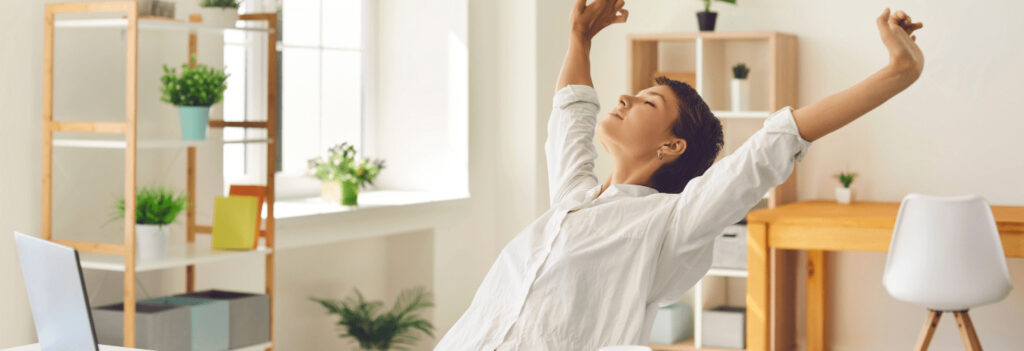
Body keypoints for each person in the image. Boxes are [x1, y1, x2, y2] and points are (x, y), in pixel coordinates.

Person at [436, 1, 924, 349]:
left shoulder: (670, 224)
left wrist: (898, 73)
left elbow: (774, 143)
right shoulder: (574, 199)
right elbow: (571, 112)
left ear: (671, 146)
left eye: (648, 102)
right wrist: (579, 37)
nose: (624, 98)